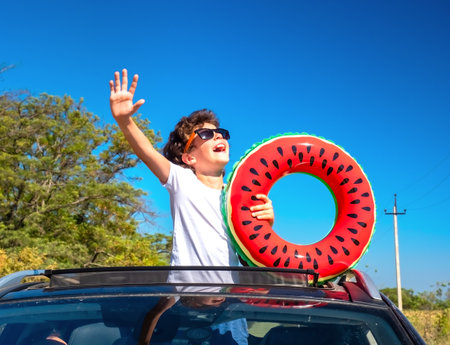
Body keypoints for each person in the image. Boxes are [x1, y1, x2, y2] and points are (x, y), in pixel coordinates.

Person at [109, 69, 274, 267]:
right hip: (188, 292)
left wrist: (264, 229)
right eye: (205, 134)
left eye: (220, 132)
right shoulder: (182, 181)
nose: (218, 136)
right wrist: (124, 121)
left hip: (227, 295)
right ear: (189, 158)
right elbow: (148, 152)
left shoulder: (237, 199)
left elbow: (246, 260)